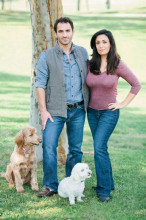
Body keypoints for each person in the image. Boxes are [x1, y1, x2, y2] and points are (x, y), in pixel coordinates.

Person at [36, 17, 89, 197]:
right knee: (49, 146)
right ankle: (50, 186)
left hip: (78, 109)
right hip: (54, 111)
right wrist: (43, 111)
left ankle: (71, 184)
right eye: (61, 31)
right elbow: (40, 84)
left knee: (75, 148)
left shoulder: (82, 53)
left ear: (72, 31)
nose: (64, 34)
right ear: (56, 33)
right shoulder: (47, 55)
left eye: (67, 31)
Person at [86, 29, 141, 202]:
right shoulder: (90, 64)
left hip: (109, 113)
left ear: (111, 44)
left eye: (104, 42)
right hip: (92, 112)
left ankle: (103, 190)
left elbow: (136, 85)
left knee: (98, 148)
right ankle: (108, 183)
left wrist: (122, 104)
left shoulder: (117, 64)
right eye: (98, 43)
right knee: (101, 148)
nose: (101, 45)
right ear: (94, 46)